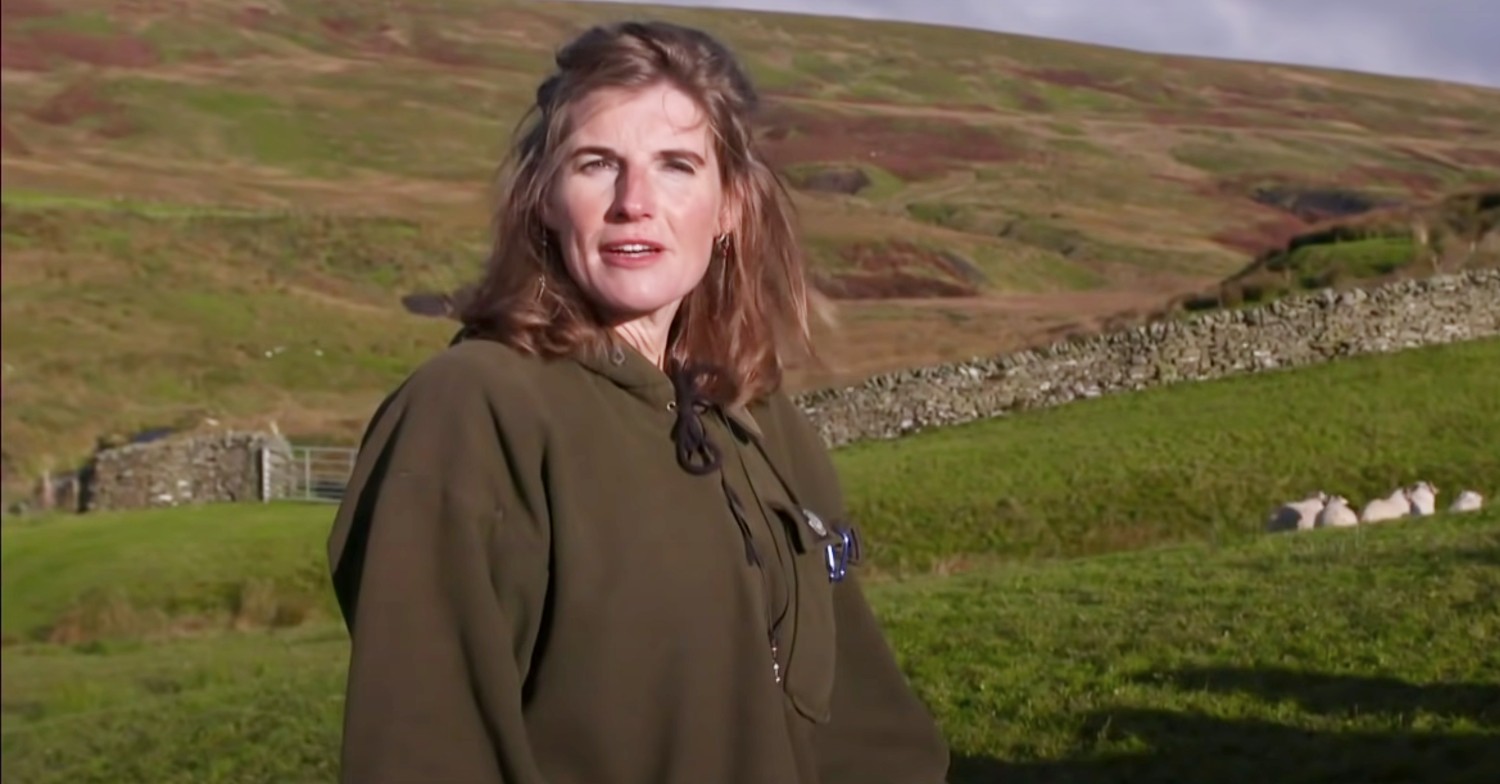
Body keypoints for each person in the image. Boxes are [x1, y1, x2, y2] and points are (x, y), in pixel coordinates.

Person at [326, 19, 951, 784]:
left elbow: (864, 724)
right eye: (596, 164)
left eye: (677, 165)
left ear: (728, 207)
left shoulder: (756, 414)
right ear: (546, 198)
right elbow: (423, 747)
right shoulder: (473, 409)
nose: (634, 202)